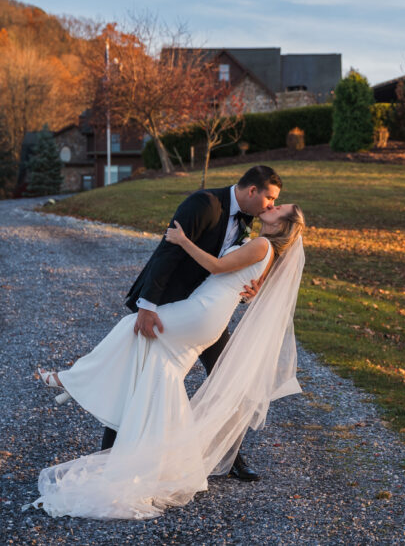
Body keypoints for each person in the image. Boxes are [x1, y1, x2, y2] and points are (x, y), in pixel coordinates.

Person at [28, 204, 306, 519]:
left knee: (130, 328)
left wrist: (182, 240)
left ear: (283, 223)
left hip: (202, 311)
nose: (273, 206)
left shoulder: (262, 244)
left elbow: (217, 267)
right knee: (161, 374)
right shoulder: (266, 249)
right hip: (209, 315)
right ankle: (174, 465)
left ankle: (72, 379)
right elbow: (248, 286)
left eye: (279, 206)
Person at [117, 164, 282, 481]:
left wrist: (249, 288)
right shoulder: (205, 204)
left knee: (226, 378)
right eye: (270, 199)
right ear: (252, 191)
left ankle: (230, 456)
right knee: (139, 374)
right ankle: (109, 453)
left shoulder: (247, 221)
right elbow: (168, 251)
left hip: (205, 312)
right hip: (168, 303)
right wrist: (147, 305)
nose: (271, 207)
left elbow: (233, 269)